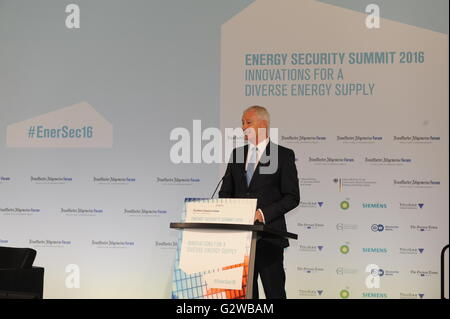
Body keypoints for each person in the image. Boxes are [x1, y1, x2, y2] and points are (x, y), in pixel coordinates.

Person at [219, 105, 300, 299]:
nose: (243, 127)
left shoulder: (283, 155)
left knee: (275, 294)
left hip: (269, 238)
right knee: (245, 297)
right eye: (242, 123)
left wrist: (262, 214)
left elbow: (292, 197)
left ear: (263, 125)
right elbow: (225, 192)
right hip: (240, 242)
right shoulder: (237, 154)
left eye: (248, 122)